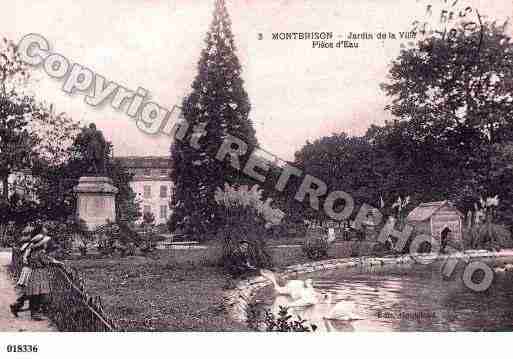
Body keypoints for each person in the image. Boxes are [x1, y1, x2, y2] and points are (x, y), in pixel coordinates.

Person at [10, 225, 64, 320]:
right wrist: (57, 262)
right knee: (36, 293)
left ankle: (19, 306)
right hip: (38, 272)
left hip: (34, 271)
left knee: (33, 292)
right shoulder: (39, 252)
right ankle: (34, 312)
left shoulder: (33, 249)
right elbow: (46, 260)